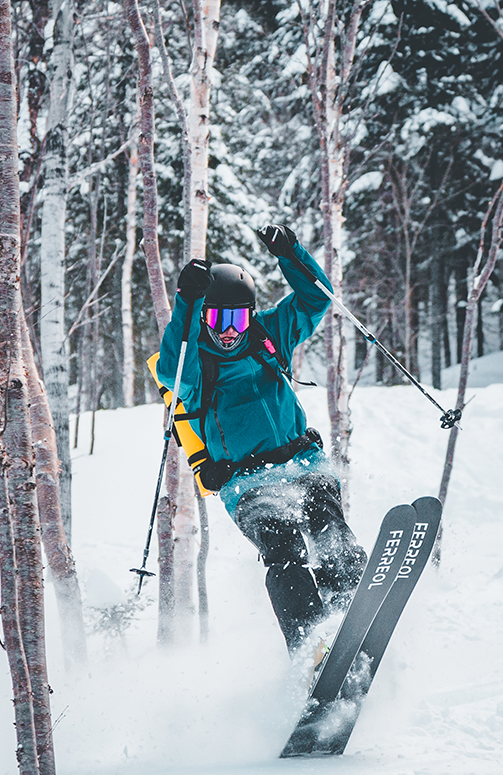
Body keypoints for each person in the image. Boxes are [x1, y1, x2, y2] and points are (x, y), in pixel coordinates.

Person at [157, 224, 366, 654]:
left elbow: (316, 298)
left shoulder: (269, 335)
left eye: (236, 318)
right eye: (216, 318)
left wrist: (290, 253)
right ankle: (312, 646)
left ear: (250, 314)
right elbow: (169, 368)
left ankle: (352, 612)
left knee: (329, 527)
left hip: (303, 461)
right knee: (283, 546)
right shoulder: (196, 364)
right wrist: (187, 300)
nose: (228, 330)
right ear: (204, 318)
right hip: (247, 480)